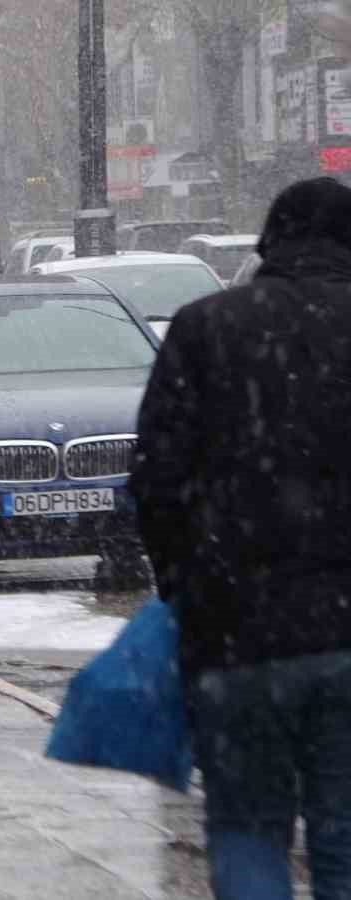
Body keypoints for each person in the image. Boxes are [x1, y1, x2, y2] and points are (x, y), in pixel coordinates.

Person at [131, 177, 351, 900]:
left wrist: (186, 589)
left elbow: (156, 480)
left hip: (236, 634)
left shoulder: (206, 328)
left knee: (249, 827)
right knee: (343, 836)